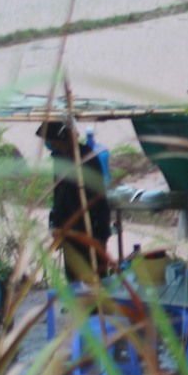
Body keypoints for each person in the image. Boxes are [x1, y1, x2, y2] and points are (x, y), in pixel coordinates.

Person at [37, 120, 113, 282]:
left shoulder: (85, 158)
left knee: (93, 277)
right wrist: (56, 225)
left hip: (90, 228)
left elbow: (96, 196)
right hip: (70, 231)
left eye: (51, 140)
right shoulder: (59, 159)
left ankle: (95, 306)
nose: (49, 144)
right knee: (75, 279)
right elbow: (59, 196)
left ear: (62, 139)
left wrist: (98, 232)